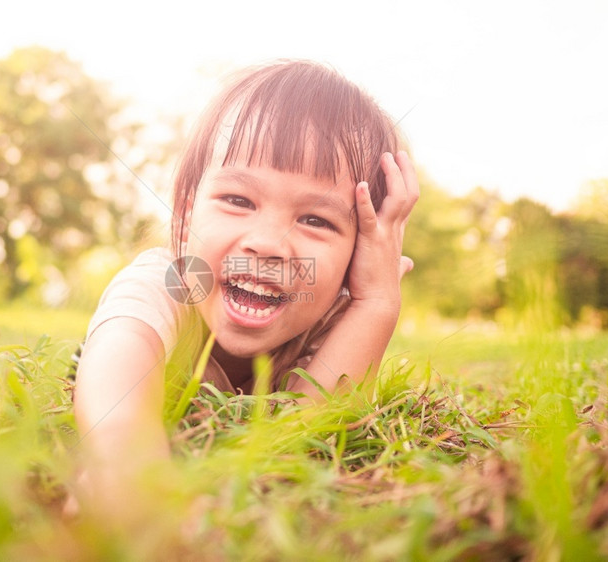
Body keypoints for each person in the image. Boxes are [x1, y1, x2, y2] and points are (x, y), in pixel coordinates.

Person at [72, 60, 419, 518]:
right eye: (238, 200)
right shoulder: (172, 278)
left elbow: (305, 428)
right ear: (184, 212)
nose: (268, 244)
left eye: (316, 220)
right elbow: (121, 350)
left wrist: (376, 301)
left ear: (356, 255)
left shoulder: (334, 319)